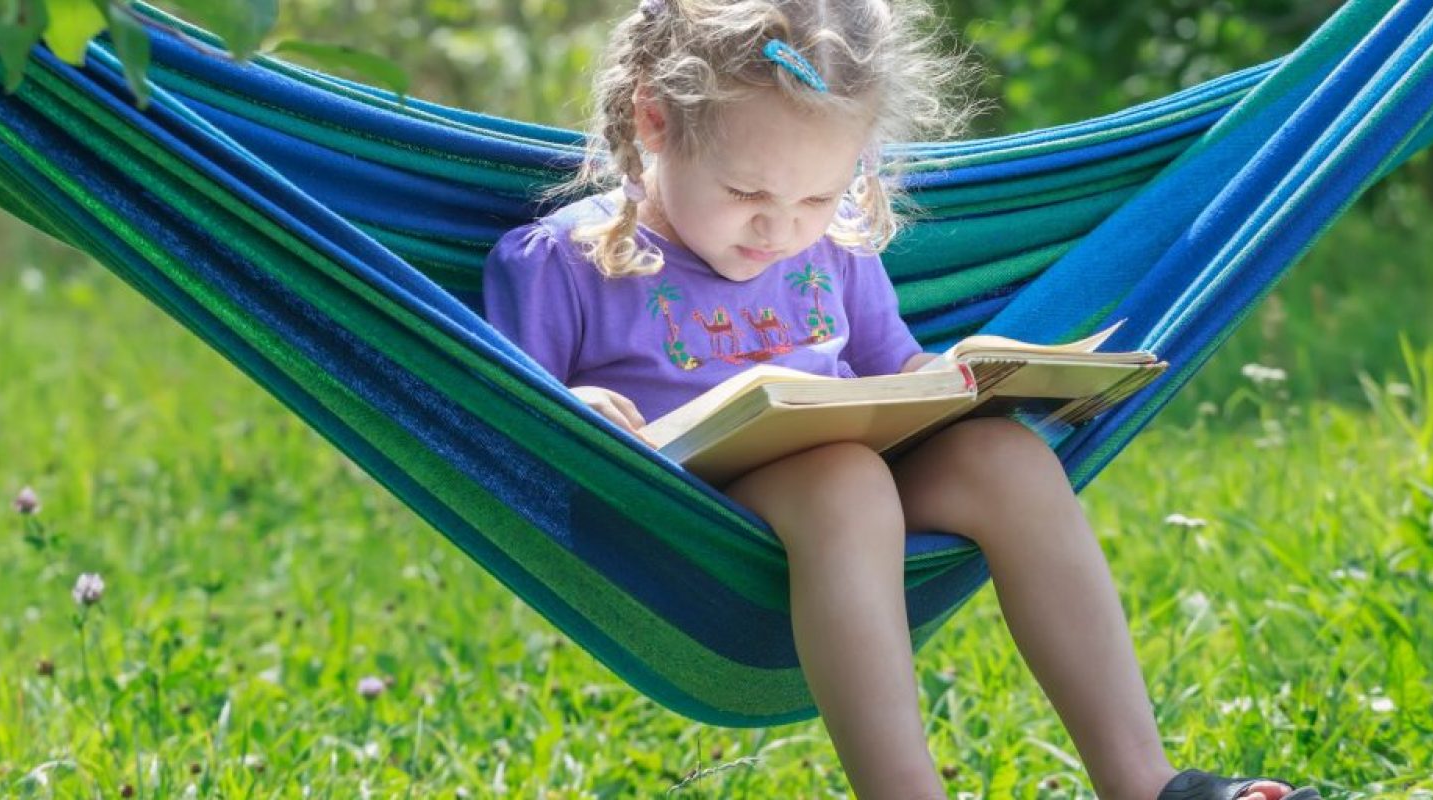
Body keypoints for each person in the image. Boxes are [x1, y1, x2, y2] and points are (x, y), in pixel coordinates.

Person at [482, 2, 1321, 798]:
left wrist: (965, 382)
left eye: (816, 197)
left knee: (1009, 461)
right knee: (843, 477)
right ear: (655, 122)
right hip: (694, 522)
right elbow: (508, 427)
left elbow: (893, 366)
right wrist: (579, 409)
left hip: (861, 492)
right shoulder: (566, 260)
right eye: (746, 195)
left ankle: (1144, 781)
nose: (779, 230)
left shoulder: (833, 248)